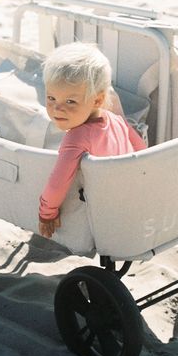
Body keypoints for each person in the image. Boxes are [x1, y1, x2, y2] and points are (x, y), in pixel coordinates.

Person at [38, 42, 146, 239]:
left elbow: (57, 183)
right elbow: (142, 151)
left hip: (100, 210)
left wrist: (47, 213)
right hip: (126, 199)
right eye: (51, 98)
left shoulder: (77, 137)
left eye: (70, 101)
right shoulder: (117, 120)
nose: (57, 109)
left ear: (97, 100)